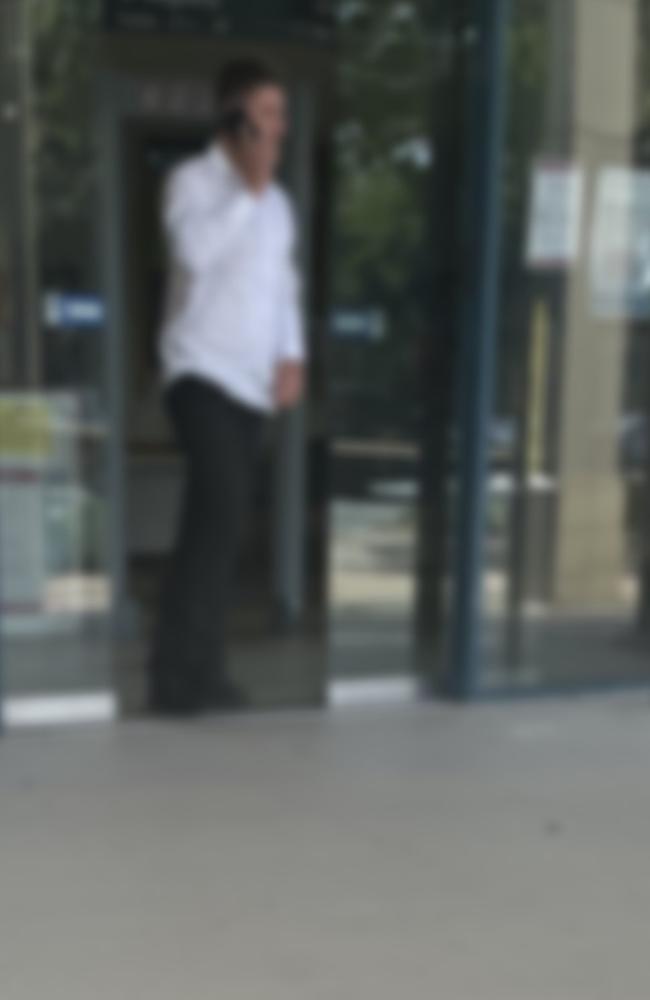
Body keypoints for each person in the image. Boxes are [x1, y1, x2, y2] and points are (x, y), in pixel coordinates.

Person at [149, 59, 305, 716]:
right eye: (267, 115)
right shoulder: (193, 182)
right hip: (198, 370)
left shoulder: (281, 204)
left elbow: (283, 287)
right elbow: (194, 256)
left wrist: (292, 353)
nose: (279, 129)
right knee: (215, 516)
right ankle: (180, 678)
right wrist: (246, 190)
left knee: (220, 524)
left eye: (282, 116)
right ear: (234, 119)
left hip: (250, 383)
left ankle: (196, 670)